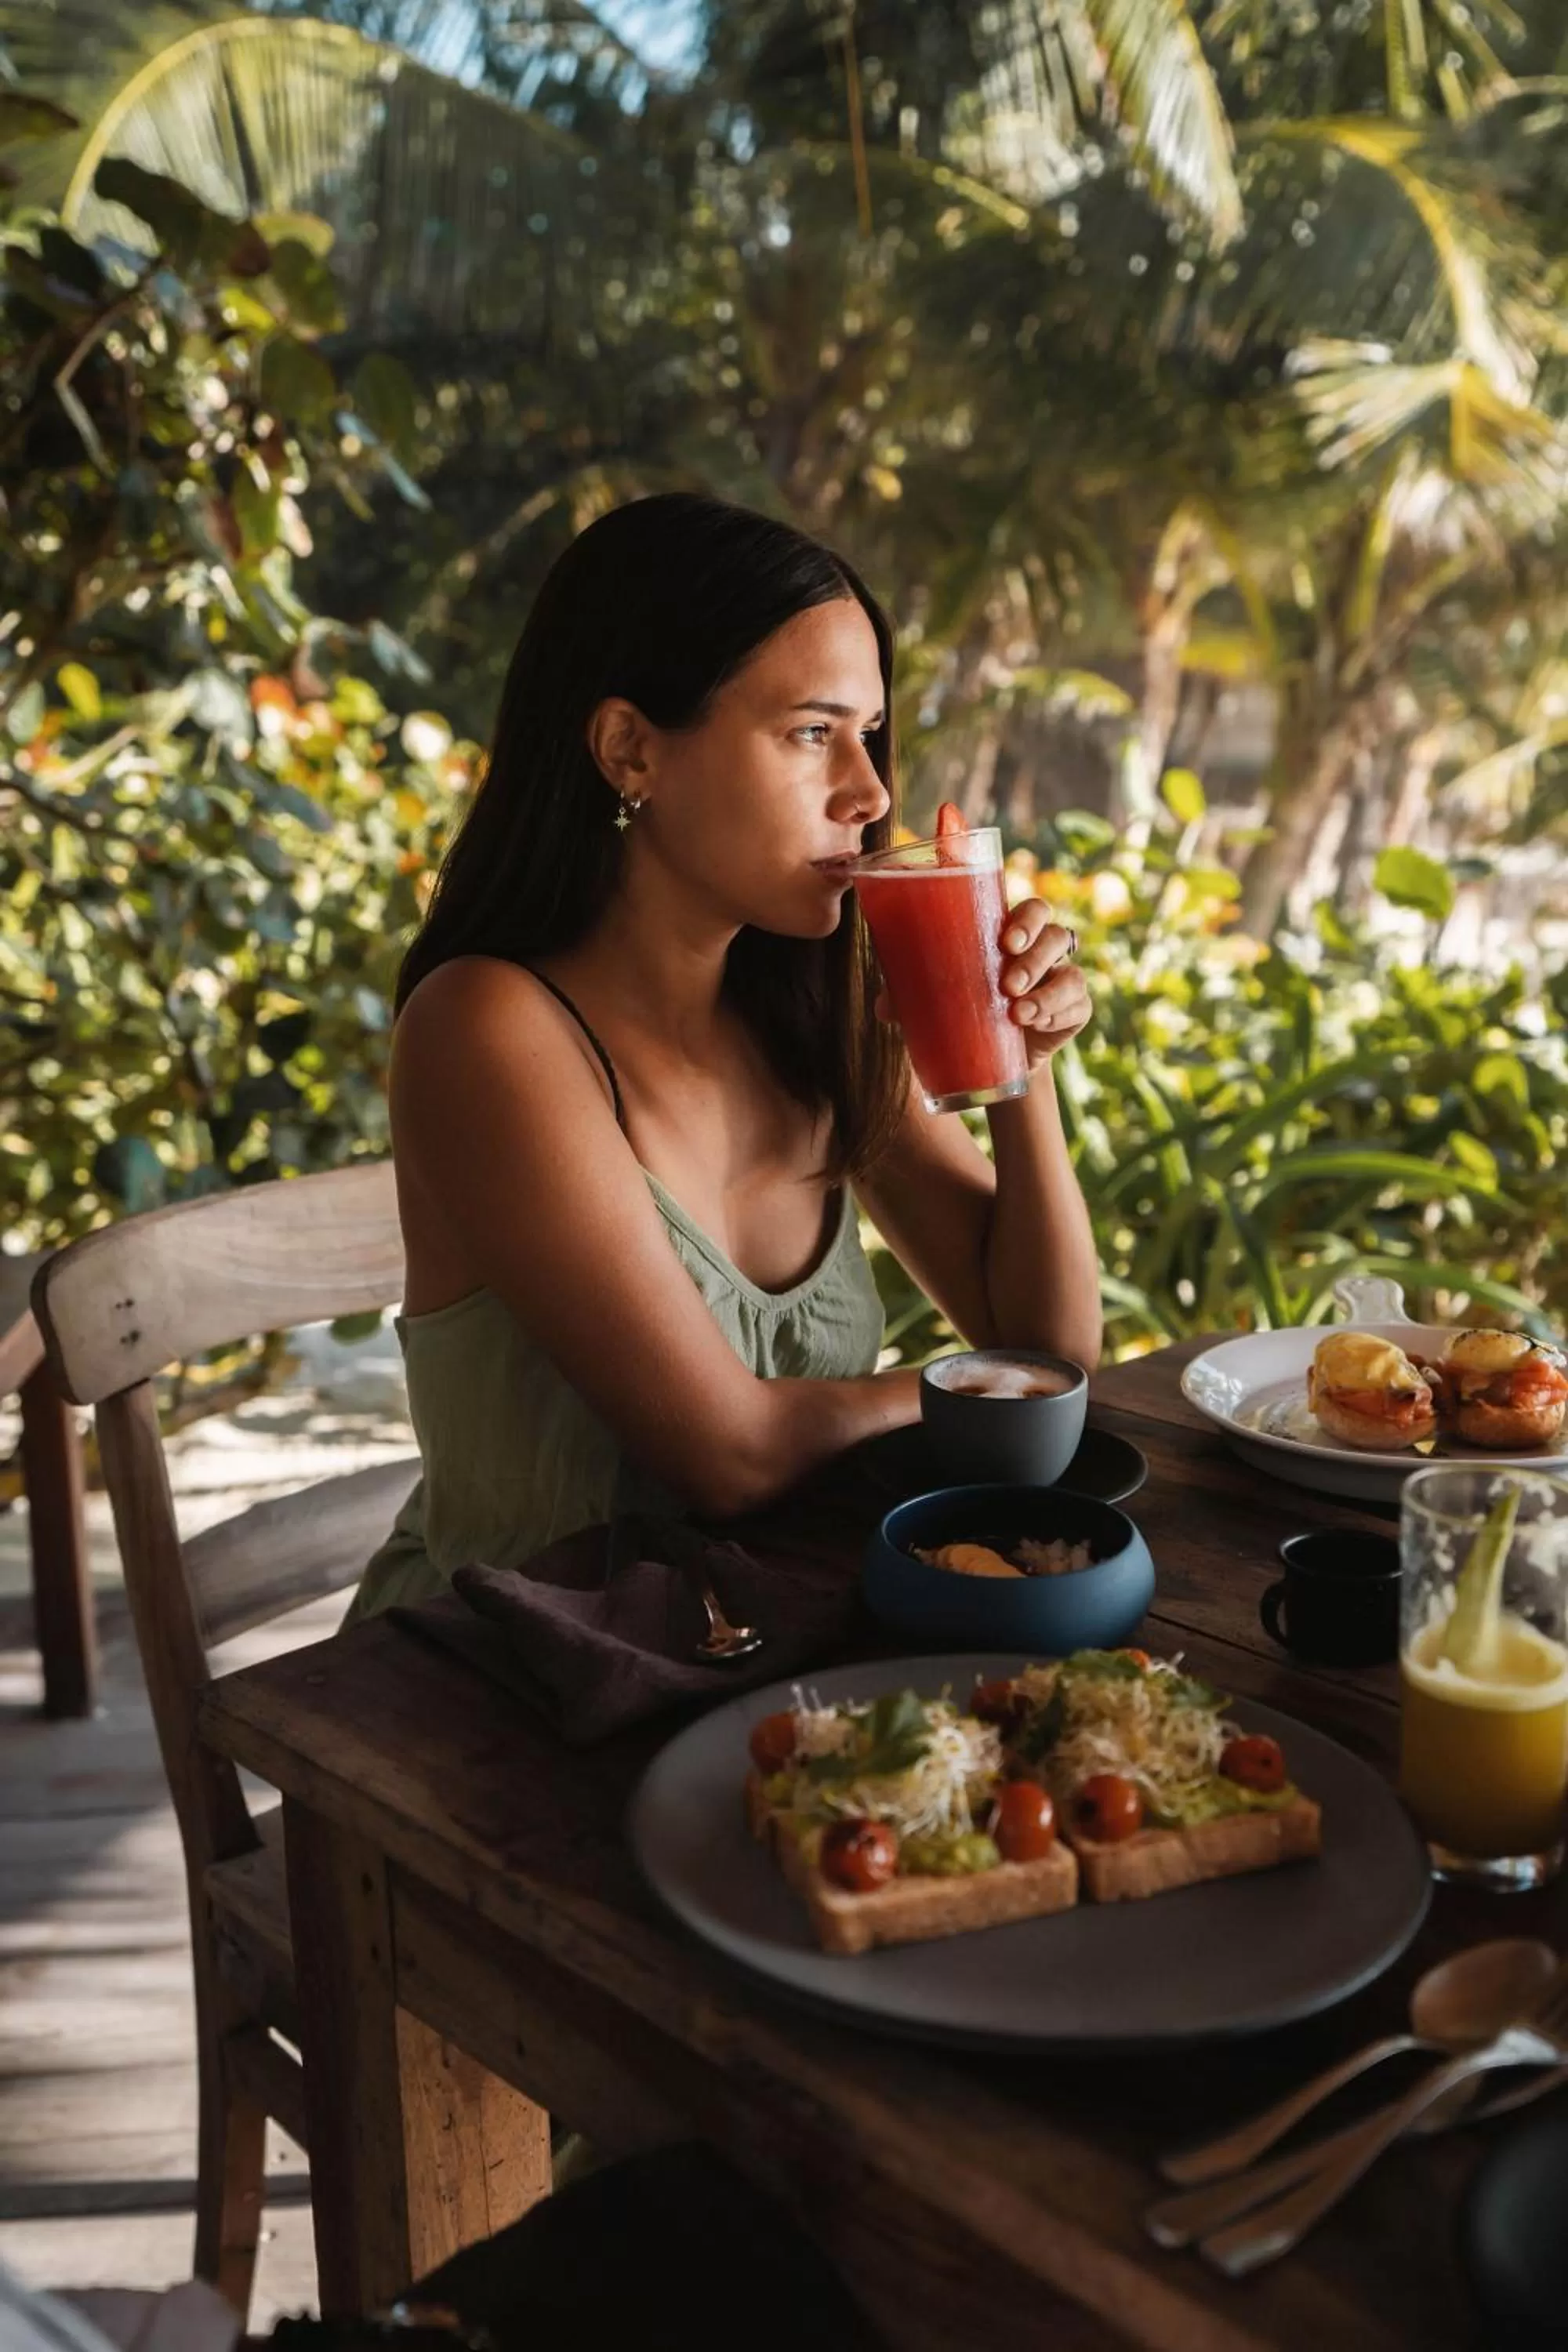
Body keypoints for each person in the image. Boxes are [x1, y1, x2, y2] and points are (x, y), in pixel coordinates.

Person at [350, 492, 1099, 1621]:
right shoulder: (489, 1032)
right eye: (812, 733)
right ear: (630, 749)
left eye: (870, 735)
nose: (873, 793)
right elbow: (730, 1455)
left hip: (760, 1641)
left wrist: (1018, 1060)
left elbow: (1049, 1348)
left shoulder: (809, 1019)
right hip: (500, 1697)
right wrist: (972, 1395)